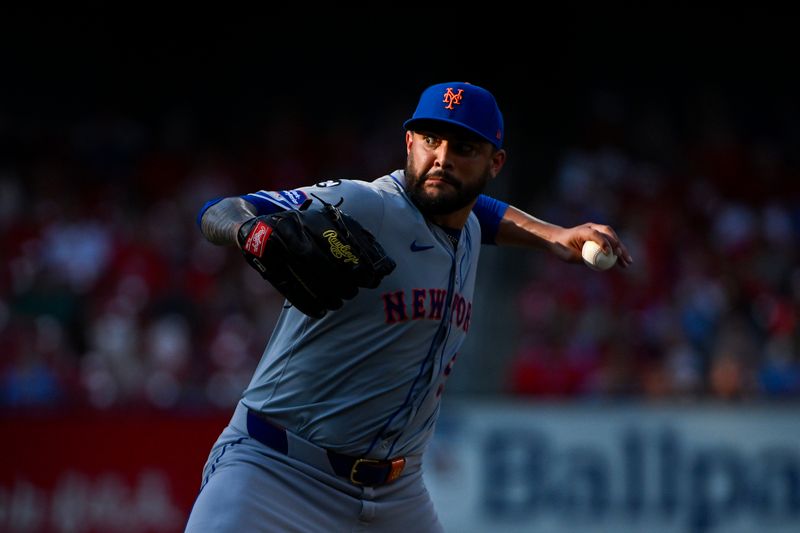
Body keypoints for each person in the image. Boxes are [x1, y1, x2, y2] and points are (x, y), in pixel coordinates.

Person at [184, 81, 632, 532]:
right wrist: (256, 233)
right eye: (431, 140)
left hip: (396, 496)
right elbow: (219, 210)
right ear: (409, 142)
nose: (442, 158)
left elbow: (482, 212)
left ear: (495, 163)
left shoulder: (468, 220)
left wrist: (553, 235)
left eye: (464, 147)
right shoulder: (369, 204)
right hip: (277, 475)